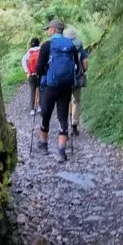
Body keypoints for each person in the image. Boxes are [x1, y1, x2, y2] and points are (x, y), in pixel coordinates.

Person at [36, 19, 80, 163]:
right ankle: (61, 151)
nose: (48, 31)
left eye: (49, 29)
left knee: (46, 114)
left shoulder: (47, 45)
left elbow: (39, 67)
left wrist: (42, 77)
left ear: (54, 30)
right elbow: (77, 67)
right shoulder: (70, 45)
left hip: (50, 87)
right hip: (66, 87)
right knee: (62, 116)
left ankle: (43, 145)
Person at [63, 28, 89, 136]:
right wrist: (82, 71)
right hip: (77, 78)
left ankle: (64, 126)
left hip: (64, 79)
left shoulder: (62, 48)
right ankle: (74, 124)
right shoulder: (80, 48)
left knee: (64, 102)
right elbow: (86, 64)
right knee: (76, 101)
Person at [21, 37, 41, 116]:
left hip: (31, 75)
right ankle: (40, 106)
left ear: (31, 44)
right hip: (40, 74)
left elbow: (23, 60)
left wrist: (27, 71)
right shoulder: (41, 50)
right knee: (40, 90)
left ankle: (32, 109)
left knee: (33, 91)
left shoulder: (29, 52)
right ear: (38, 43)